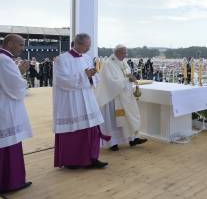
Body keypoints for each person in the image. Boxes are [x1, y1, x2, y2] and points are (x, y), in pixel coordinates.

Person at [53, 33, 110, 169]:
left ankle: (92, 158)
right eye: (87, 46)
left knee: (91, 129)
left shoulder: (87, 58)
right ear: (77, 44)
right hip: (72, 101)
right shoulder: (62, 59)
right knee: (75, 132)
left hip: (87, 98)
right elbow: (61, 81)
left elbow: (92, 78)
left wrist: (92, 76)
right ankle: (72, 161)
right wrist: (84, 75)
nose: (88, 49)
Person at [95, 45, 147, 151]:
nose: (125, 55)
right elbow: (110, 82)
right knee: (114, 121)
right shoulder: (108, 63)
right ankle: (112, 143)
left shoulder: (123, 62)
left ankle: (133, 138)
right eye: (123, 53)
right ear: (117, 52)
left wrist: (131, 78)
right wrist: (127, 80)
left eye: (126, 53)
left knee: (128, 117)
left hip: (125, 96)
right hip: (113, 97)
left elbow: (126, 75)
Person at [0, 34, 33, 193]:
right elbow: (14, 88)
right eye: (20, 45)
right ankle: (10, 182)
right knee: (8, 144)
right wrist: (21, 72)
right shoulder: (5, 60)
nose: (22, 48)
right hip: (5, 109)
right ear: (10, 43)